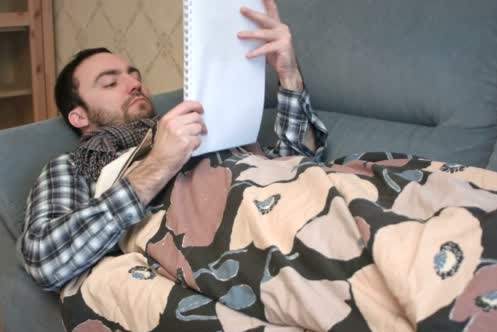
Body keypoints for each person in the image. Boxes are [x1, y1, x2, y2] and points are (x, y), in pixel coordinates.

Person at [18, 0, 328, 291]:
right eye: (111, 83)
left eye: (133, 75)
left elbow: (296, 167)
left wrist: (289, 75)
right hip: (244, 240)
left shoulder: (196, 125)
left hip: (300, 203)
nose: (134, 83)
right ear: (78, 116)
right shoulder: (72, 167)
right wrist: (159, 164)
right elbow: (43, 260)